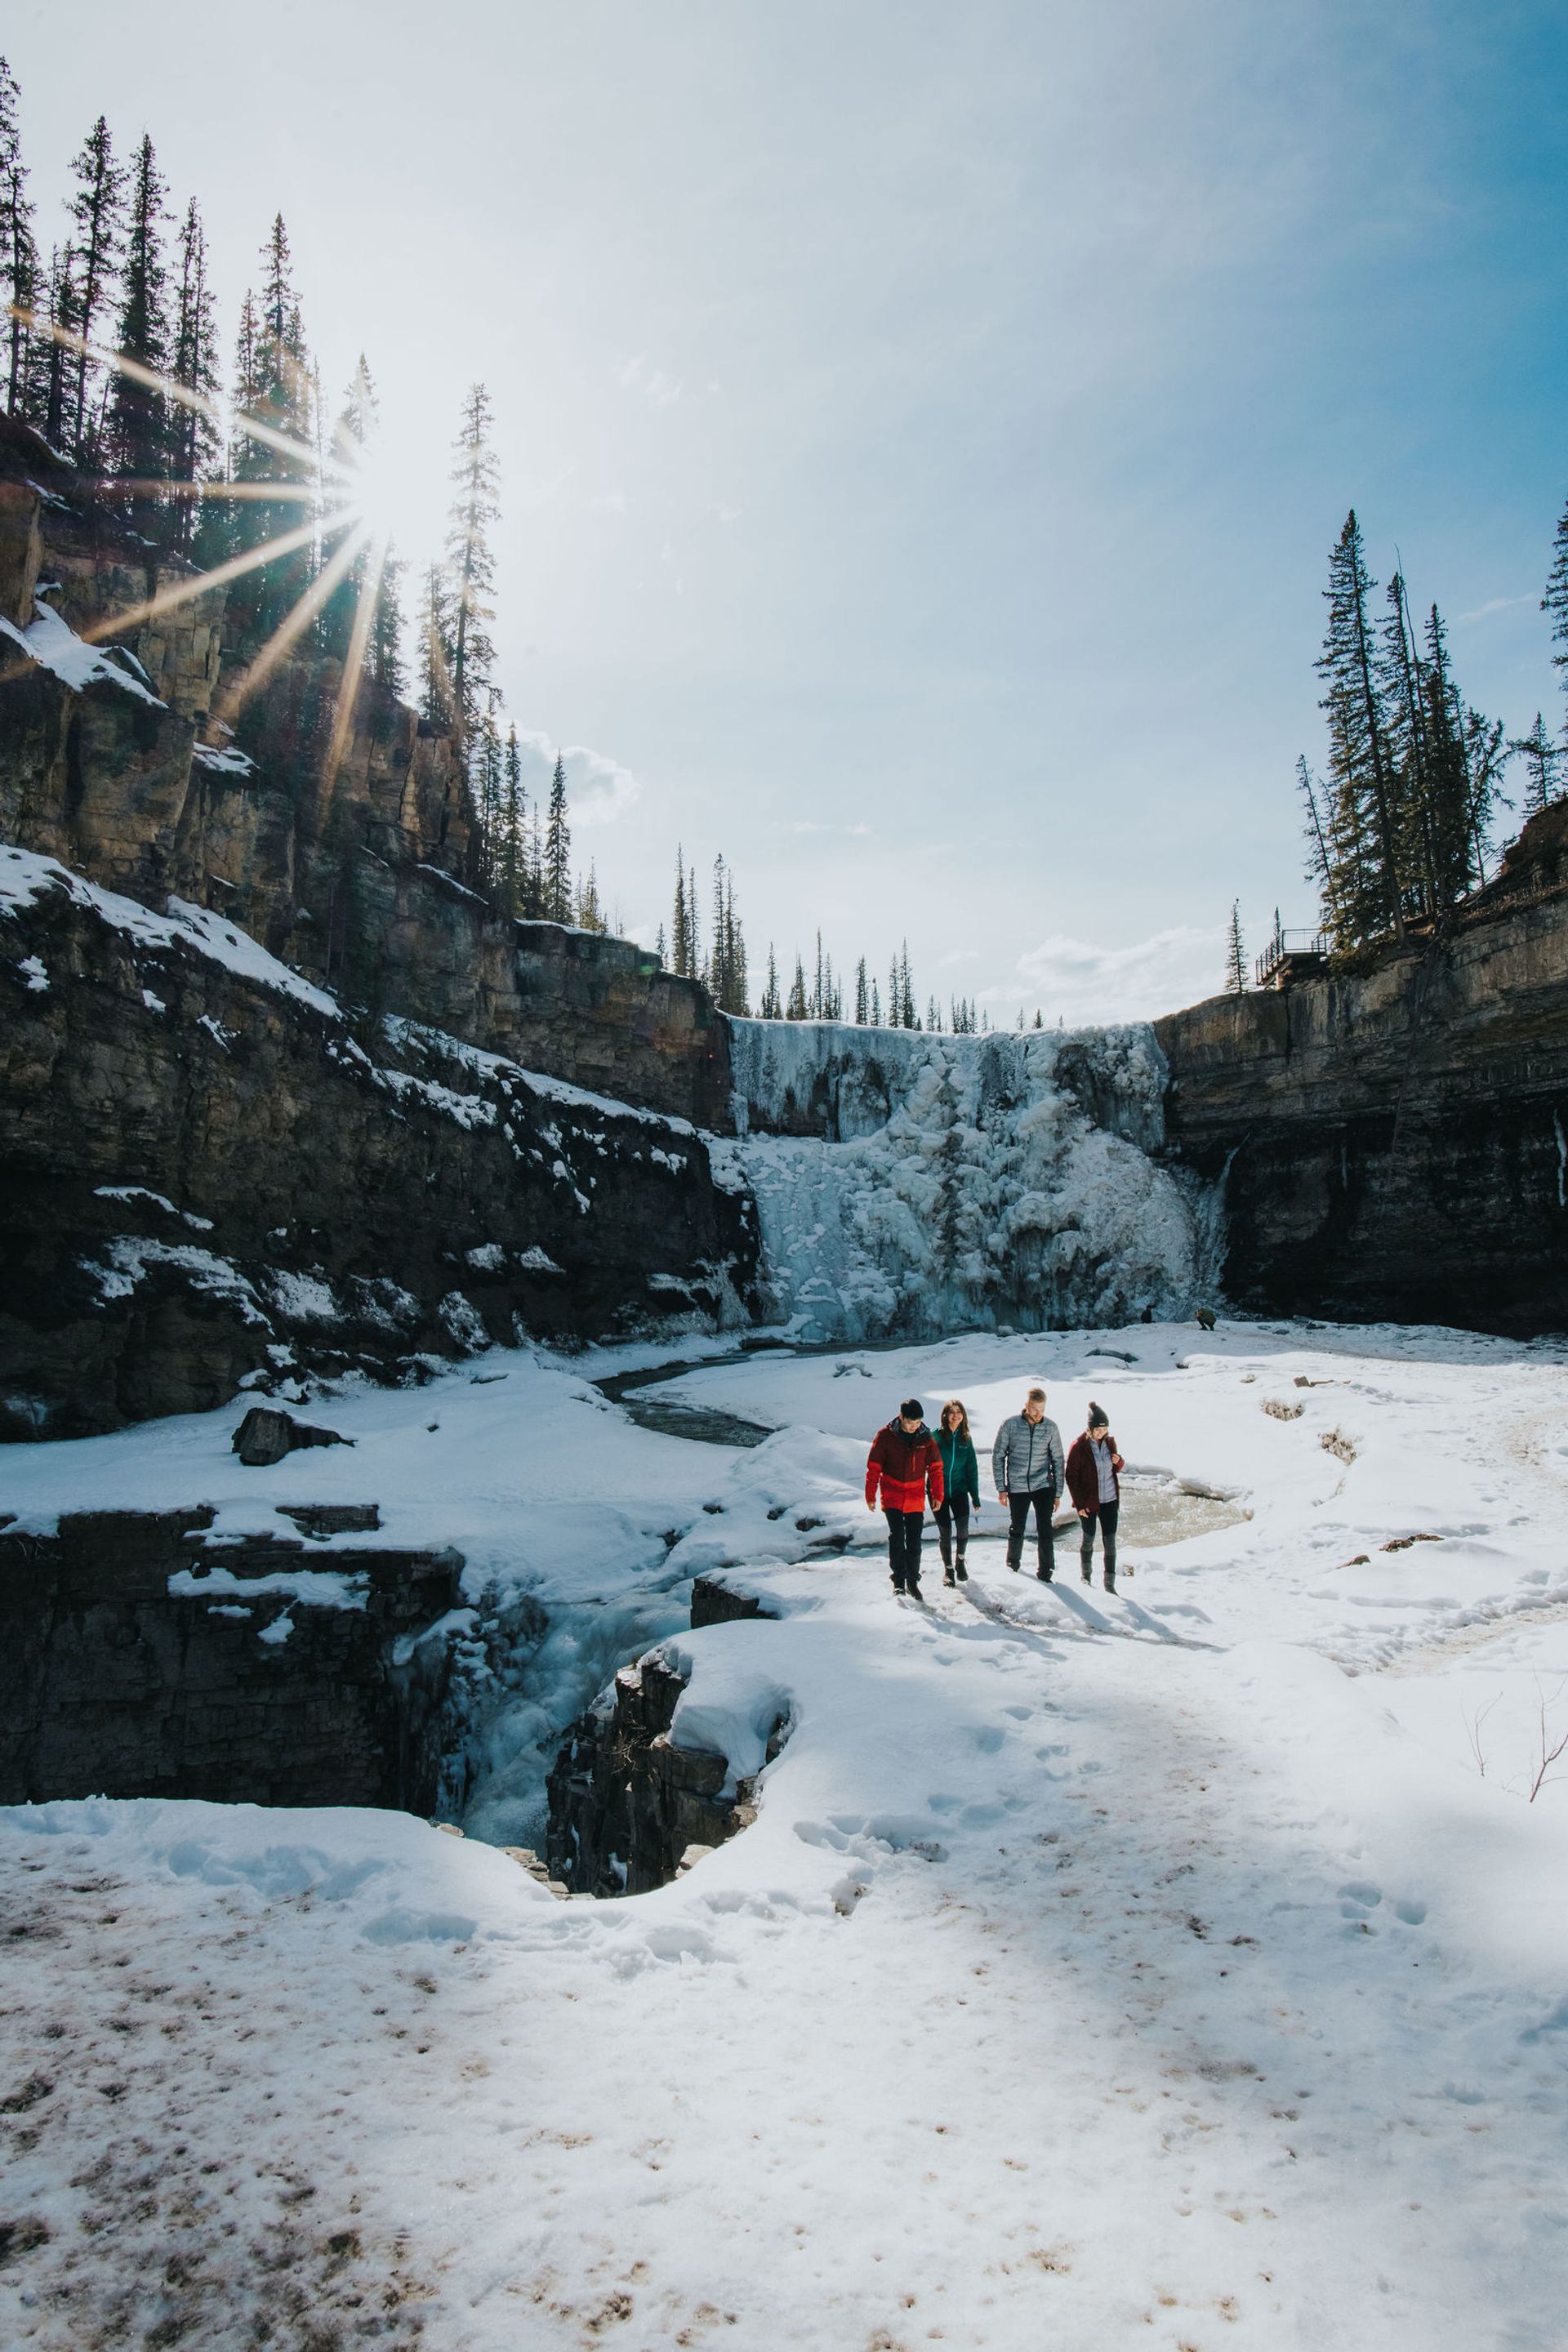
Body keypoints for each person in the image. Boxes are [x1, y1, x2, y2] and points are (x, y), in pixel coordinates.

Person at [866, 1398, 945, 1599]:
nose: (913, 1427)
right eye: (910, 1423)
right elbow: (874, 1467)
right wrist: (870, 1494)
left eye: (917, 1423)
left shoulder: (926, 1437)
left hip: (915, 1496)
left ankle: (913, 1581)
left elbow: (935, 1468)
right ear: (901, 1418)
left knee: (914, 1541)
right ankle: (899, 1581)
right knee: (897, 1537)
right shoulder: (885, 1436)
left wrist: (937, 1494)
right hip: (892, 1495)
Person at [991, 1385, 1065, 1581]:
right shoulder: (1010, 1425)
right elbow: (998, 1456)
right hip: (1017, 1486)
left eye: (1041, 1410)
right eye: (1034, 1409)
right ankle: (1012, 1566)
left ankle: (1046, 1573)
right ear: (1026, 1406)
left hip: (1043, 1485)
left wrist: (1058, 1493)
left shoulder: (1051, 1428)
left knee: (1045, 1530)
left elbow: (1058, 1460)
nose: (1038, 1414)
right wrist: (1002, 1488)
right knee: (1017, 1528)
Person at [1066, 1402, 1125, 1591]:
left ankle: (1110, 1585)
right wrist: (1079, 1503)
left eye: (1105, 1429)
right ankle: (1086, 1577)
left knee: (1110, 1543)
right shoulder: (1079, 1446)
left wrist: (1119, 1462)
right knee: (1089, 1538)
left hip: (1110, 1499)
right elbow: (1071, 1476)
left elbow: (1116, 1467)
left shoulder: (1110, 1443)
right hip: (1089, 1502)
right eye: (1098, 1429)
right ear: (1090, 1428)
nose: (1102, 1433)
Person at [933, 1399, 981, 1587]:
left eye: (959, 1411)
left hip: (960, 1489)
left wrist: (975, 1495)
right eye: (952, 1412)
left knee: (963, 1529)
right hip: (939, 1492)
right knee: (945, 1532)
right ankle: (948, 1569)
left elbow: (972, 1468)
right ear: (945, 1415)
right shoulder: (935, 1437)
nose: (956, 1415)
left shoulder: (966, 1439)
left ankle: (960, 1561)